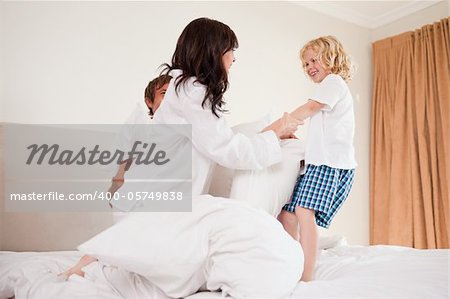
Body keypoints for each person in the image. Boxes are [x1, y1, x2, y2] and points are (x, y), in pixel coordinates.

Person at [153, 17, 301, 196]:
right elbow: (228, 150)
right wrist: (276, 134)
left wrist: (270, 135)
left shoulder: (183, 88)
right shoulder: (193, 92)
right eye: (230, 50)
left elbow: (219, 140)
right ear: (213, 51)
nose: (233, 58)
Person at [58, 74, 171, 280]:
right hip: (135, 198)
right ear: (149, 101)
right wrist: (116, 184)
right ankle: (90, 261)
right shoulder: (143, 125)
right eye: (164, 94)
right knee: (127, 235)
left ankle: (103, 258)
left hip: (159, 198)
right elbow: (123, 155)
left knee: (143, 239)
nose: (170, 99)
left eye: (173, 95)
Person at [277, 35, 357, 282]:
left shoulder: (333, 82)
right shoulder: (329, 90)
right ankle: (295, 262)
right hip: (319, 163)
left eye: (314, 60)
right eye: (306, 64)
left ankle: (306, 275)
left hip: (330, 164)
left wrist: (280, 126)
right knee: (287, 215)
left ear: (331, 59)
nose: (310, 67)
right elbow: (323, 133)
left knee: (302, 211)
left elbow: (309, 109)